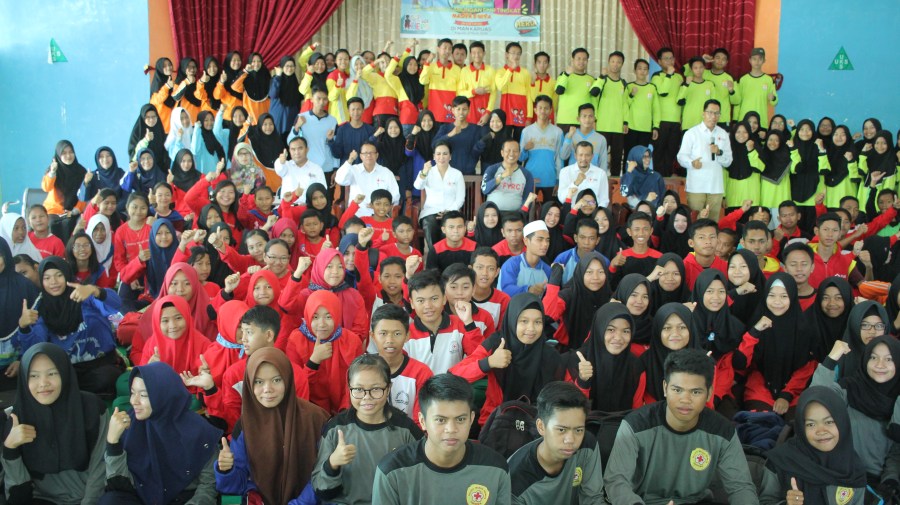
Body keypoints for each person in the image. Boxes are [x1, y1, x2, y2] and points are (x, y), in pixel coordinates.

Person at [604, 349, 759, 504]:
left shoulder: (723, 431)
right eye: (677, 390)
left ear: (709, 393)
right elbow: (616, 481)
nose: (685, 400)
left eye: (696, 392)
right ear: (665, 388)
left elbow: (741, 487)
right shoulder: (636, 425)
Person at [450, 293, 591, 425]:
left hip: (537, 427)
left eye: (538, 322)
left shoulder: (551, 356)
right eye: (524, 321)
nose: (531, 328)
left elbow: (572, 401)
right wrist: (489, 362)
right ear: (512, 319)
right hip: (496, 423)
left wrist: (583, 381)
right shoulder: (497, 344)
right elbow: (454, 375)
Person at [372, 373, 512, 505]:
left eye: (460, 419)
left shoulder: (496, 468)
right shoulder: (392, 471)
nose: (451, 429)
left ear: (471, 419)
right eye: (440, 420)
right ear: (422, 421)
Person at [214, 348, 328, 504]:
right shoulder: (246, 425)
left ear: (288, 379)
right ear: (249, 384)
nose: (268, 389)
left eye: (276, 380)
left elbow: (325, 474)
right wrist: (226, 470)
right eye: (259, 382)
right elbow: (235, 487)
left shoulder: (315, 418)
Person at [99, 362, 221, 505]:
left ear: (164, 396)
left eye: (143, 395)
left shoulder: (198, 431)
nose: (134, 401)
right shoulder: (130, 424)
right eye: (132, 393)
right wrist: (113, 442)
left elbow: (208, 486)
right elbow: (119, 484)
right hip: (142, 496)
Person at [1, 343, 108, 504]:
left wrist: (89, 502)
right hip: (40, 498)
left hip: (87, 497)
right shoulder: (17, 416)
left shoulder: (91, 408)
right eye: (33, 376)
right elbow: (17, 493)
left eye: (52, 373)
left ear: (65, 372)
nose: (43, 383)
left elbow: (101, 465)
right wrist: (10, 448)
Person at [312, 354, 425, 504]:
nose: (367, 397)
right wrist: (332, 464)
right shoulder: (336, 429)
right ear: (349, 388)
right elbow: (321, 490)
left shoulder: (406, 430)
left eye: (376, 389)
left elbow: (422, 482)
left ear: (388, 388)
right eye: (358, 389)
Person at [14, 257, 123, 398]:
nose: (53, 282)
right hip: (66, 369)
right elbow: (36, 347)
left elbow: (116, 304)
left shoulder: (85, 294)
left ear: (67, 275)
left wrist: (95, 291)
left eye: (59, 275)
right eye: (47, 278)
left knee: (107, 377)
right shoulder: (41, 308)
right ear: (41, 280)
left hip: (100, 364)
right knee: (52, 383)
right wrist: (23, 327)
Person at [811, 336, 900, 500]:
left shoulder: (898, 401)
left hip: (878, 485)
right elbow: (815, 402)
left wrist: (890, 480)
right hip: (838, 475)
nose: (880, 365)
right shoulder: (849, 388)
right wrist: (831, 360)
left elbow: (896, 451)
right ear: (865, 360)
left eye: (889, 359)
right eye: (873, 357)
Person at [759, 386, 869, 505]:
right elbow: (764, 501)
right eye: (811, 424)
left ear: (842, 422)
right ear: (801, 427)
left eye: (829, 422)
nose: (821, 431)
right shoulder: (780, 462)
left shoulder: (853, 468)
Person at [508, 381, 604, 504]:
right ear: (541, 426)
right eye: (561, 430)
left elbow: (593, 499)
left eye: (578, 430)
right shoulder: (515, 479)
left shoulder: (587, 445)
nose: (570, 440)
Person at [740, 273, 817, 416]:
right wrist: (755, 332)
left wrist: (786, 395)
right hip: (760, 388)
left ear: (792, 297)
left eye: (783, 296)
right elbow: (742, 363)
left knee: (796, 424)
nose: (777, 301)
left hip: (795, 392)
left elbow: (806, 367)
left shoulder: (803, 328)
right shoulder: (757, 322)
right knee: (761, 423)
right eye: (772, 295)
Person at [285, 290, 363, 415]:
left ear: (337, 314)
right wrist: (313, 362)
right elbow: (296, 386)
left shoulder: (351, 341)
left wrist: (344, 414)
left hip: (345, 412)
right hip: (309, 412)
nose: (322, 324)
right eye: (315, 317)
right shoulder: (296, 340)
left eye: (328, 316)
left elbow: (356, 382)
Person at [368, 304, 433, 419]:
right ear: (372, 336)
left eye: (397, 334)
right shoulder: (362, 370)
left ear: (407, 336)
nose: (390, 340)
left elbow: (422, 419)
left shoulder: (421, 373)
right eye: (383, 333)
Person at [677, 99, 732, 221]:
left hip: (716, 187)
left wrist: (719, 152)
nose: (713, 116)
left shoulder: (723, 134)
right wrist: (692, 163)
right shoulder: (691, 133)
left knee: (712, 224)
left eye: (717, 113)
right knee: (695, 222)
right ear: (703, 113)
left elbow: (728, 161)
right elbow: (681, 156)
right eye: (710, 112)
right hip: (696, 187)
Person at [414, 141, 466, 252]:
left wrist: (448, 211)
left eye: (445, 154)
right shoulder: (428, 172)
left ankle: (447, 256)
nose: (441, 157)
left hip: (451, 212)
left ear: (450, 156)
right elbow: (418, 186)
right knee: (431, 225)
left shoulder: (457, 174)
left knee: (448, 227)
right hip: (430, 212)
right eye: (438, 154)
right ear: (434, 156)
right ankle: (435, 255)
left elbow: (460, 199)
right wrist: (424, 172)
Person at [334, 142, 401, 218]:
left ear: (377, 155)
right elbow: (339, 180)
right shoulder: (353, 170)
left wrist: (380, 205)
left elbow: (395, 196)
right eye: (365, 153)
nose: (369, 155)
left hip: (380, 215)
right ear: (360, 156)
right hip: (357, 216)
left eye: (372, 153)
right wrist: (350, 160)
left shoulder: (386, 172)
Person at [590, 51, 628, 175]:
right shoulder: (602, 80)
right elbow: (593, 97)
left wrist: (625, 122)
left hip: (618, 127)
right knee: (599, 157)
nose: (615, 64)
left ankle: (616, 182)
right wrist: (594, 120)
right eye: (613, 61)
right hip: (602, 126)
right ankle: (597, 179)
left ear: (622, 64)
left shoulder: (623, 84)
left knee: (617, 158)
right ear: (608, 62)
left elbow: (625, 104)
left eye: (618, 62)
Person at [519, 95, 563, 200]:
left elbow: (559, 158)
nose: (543, 111)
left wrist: (558, 180)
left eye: (546, 108)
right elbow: (520, 158)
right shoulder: (526, 131)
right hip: (531, 178)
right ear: (535, 110)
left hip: (550, 179)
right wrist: (525, 149)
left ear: (551, 110)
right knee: (530, 209)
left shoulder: (558, 132)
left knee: (549, 208)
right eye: (540, 108)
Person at [650, 47, 685, 176]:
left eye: (671, 58)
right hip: (661, 121)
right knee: (659, 153)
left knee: (672, 152)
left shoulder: (679, 77)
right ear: (659, 61)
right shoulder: (656, 76)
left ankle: (668, 180)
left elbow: (681, 98)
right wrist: (669, 75)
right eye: (666, 59)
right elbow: (662, 92)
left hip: (676, 122)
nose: (669, 61)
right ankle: (658, 179)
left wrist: (682, 119)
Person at [431, 96, 481, 175]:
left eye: (464, 109)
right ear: (453, 110)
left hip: (468, 174)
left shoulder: (475, 129)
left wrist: (470, 166)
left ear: (469, 110)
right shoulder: (445, 128)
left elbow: (477, 151)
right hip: (448, 173)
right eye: (458, 109)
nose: (461, 112)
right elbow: (434, 145)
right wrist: (450, 134)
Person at [482, 139, 536, 213]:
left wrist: (521, 214)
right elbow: (485, 190)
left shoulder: (527, 174)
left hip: (515, 215)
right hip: (493, 214)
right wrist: (502, 176)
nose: (511, 154)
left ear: (519, 153)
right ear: (502, 153)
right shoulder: (492, 169)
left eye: (515, 151)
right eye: (508, 151)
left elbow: (527, 198)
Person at [499, 220, 551, 296]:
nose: (545, 244)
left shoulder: (547, 270)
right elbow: (506, 289)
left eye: (547, 240)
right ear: (526, 241)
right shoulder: (511, 265)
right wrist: (528, 289)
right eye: (540, 240)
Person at [419, 39, 462, 125]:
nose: (447, 51)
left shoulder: (457, 69)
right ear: (438, 49)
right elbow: (423, 81)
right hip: (434, 113)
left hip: (451, 113)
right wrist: (427, 63)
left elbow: (459, 91)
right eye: (445, 48)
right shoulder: (431, 66)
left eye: (450, 48)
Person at [557, 141, 610, 207]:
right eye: (580, 155)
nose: (584, 158)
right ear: (575, 155)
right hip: (571, 211)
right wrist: (575, 183)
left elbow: (604, 200)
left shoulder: (601, 174)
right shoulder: (565, 172)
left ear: (592, 156)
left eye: (587, 155)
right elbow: (562, 199)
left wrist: (596, 212)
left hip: (593, 211)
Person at [735, 48, 778, 129]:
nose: (757, 62)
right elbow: (737, 101)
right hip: (744, 121)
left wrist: (773, 98)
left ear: (764, 60)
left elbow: (774, 102)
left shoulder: (769, 80)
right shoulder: (743, 79)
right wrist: (735, 120)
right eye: (754, 59)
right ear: (750, 60)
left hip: (761, 122)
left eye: (760, 59)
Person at [495, 42, 531, 136]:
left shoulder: (525, 73)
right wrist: (511, 70)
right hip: (505, 113)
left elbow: (529, 95)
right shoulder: (500, 72)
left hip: (521, 113)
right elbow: (500, 86)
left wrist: (529, 117)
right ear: (506, 55)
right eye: (513, 53)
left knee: (519, 141)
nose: (516, 56)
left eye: (518, 53)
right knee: (504, 140)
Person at [555, 48, 594, 130]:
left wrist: (594, 120)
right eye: (578, 59)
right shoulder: (564, 75)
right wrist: (567, 74)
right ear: (572, 60)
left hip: (584, 121)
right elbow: (559, 91)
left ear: (587, 61)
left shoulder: (591, 79)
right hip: (565, 121)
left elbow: (594, 101)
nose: (581, 61)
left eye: (584, 59)